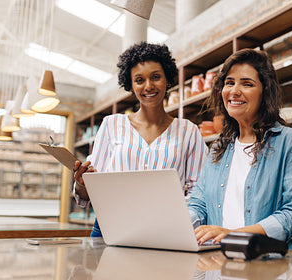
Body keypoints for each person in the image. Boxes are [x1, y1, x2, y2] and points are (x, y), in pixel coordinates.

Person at [73, 42, 208, 237]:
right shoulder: (111, 125)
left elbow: (199, 192)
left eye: (156, 77)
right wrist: (82, 183)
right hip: (110, 228)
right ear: (131, 85)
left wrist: (178, 222)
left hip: (166, 231)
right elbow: (90, 193)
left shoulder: (189, 131)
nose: (148, 86)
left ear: (167, 80)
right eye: (139, 80)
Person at [187, 48, 292, 250]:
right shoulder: (219, 147)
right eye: (229, 83)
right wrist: (174, 225)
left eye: (247, 84)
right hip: (223, 260)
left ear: (265, 92)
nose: (234, 91)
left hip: (271, 262)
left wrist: (233, 235)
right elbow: (199, 204)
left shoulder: (288, 141)